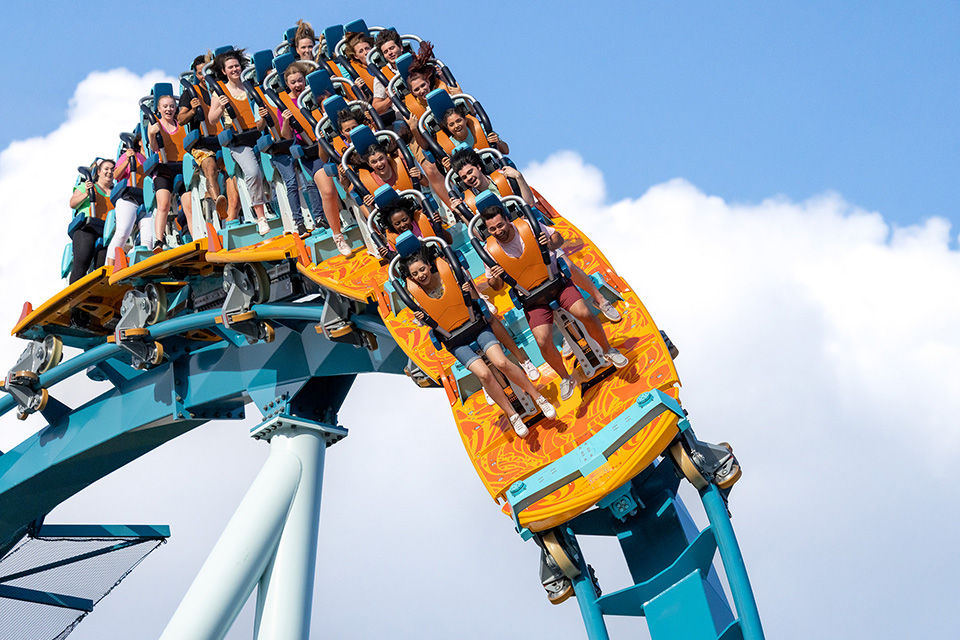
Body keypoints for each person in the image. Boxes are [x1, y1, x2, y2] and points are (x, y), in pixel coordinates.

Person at [451, 149, 621, 321]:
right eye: (464, 177)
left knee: (566, 265)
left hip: (528, 231)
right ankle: (568, 325)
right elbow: (481, 236)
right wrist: (462, 212)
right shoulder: (469, 201)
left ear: (479, 167)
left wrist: (518, 177)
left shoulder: (502, 178)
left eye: (470, 172)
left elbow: (529, 203)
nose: (468, 178)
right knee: (534, 285)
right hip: (508, 244)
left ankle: (600, 299)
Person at [400, 248, 555, 436]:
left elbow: (474, 300)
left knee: (501, 362)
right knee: (484, 375)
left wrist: (467, 289)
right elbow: (427, 322)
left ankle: (538, 397)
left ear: (429, 266)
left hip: (476, 326)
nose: (420, 275)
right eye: (414, 274)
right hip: (456, 341)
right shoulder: (417, 298)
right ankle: (512, 414)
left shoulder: (447, 278)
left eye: (422, 269)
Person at [481, 206, 628, 401]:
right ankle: (566, 377)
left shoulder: (527, 226)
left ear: (508, 220)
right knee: (542, 340)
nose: (498, 231)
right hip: (532, 298)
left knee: (584, 313)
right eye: (492, 229)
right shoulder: (489, 251)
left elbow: (558, 238)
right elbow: (496, 285)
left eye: (500, 225)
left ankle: (608, 350)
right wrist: (496, 277)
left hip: (555, 282)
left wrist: (550, 243)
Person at [206, 48, 272, 235]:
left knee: (273, 169)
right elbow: (212, 119)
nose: (234, 69)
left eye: (236, 66)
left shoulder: (249, 87)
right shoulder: (220, 91)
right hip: (238, 139)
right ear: (224, 71)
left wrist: (262, 117)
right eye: (230, 67)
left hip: (256, 134)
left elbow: (259, 115)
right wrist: (221, 106)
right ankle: (260, 215)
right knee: (252, 172)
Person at [276, 61, 325, 236]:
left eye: (300, 80)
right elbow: (286, 136)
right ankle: (313, 218)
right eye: (293, 82)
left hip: (319, 141)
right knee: (309, 182)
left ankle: (326, 215)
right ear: (287, 84)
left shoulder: (311, 96)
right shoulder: (284, 104)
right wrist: (287, 121)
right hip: (302, 147)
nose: (298, 85)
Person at [177, 54, 228, 218]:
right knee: (210, 167)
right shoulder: (190, 93)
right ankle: (218, 201)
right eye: (200, 73)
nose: (204, 76)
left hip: (223, 139)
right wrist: (193, 110)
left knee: (230, 168)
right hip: (202, 143)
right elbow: (180, 119)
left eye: (206, 71)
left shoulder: (222, 87)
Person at [147, 94, 194, 249]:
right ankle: (159, 240)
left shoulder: (181, 124)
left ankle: (196, 236)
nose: (169, 109)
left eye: (172, 106)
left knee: (189, 205)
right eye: (165, 106)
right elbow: (153, 148)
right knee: (164, 204)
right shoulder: (155, 124)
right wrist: (153, 134)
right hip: (163, 169)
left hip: (181, 166)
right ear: (159, 109)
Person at [106, 133, 152, 265]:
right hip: (129, 196)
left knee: (148, 237)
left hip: (145, 198)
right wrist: (127, 159)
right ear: (139, 142)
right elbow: (116, 175)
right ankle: (109, 265)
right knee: (122, 233)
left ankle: (145, 264)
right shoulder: (131, 156)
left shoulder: (148, 158)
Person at [67, 159, 115, 283]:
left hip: (105, 232)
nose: (109, 172)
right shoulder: (87, 186)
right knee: (82, 262)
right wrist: (86, 194)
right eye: (106, 169)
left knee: (103, 267)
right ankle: (73, 294)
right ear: (98, 172)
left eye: (112, 169)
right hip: (87, 228)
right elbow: (72, 204)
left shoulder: (115, 194)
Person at [438, 106, 508, 171]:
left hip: (494, 167)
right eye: (451, 125)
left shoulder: (481, 128)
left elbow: (506, 150)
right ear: (448, 128)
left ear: (465, 120)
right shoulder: (448, 146)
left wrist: (498, 142)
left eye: (459, 121)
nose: (456, 126)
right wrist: (447, 167)